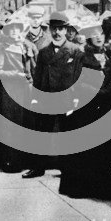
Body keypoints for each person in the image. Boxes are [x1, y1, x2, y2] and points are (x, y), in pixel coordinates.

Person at [58, 19, 111, 199]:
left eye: (100, 33)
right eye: (93, 34)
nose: (98, 37)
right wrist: (109, 89)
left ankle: (103, 188)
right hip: (88, 109)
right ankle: (86, 187)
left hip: (108, 107)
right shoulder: (81, 56)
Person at [22, 11, 83, 179]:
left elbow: (78, 78)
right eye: (54, 29)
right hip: (47, 98)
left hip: (66, 98)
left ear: (66, 30)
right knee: (42, 133)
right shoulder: (43, 52)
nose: (57, 33)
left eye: (61, 29)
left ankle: (68, 170)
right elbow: (38, 77)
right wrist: (35, 97)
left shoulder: (75, 51)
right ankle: (38, 167)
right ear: (49, 30)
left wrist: (75, 100)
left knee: (67, 135)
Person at [0, 16, 36, 172]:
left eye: (17, 28)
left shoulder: (24, 46)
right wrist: (15, 75)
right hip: (9, 91)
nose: (14, 31)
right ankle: (8, 161)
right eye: (11, 28)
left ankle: (21, 160)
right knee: (9, 124)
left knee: (23, 123)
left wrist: (30, 82)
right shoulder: (2, 47)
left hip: (23, 90)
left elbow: (29, 70)